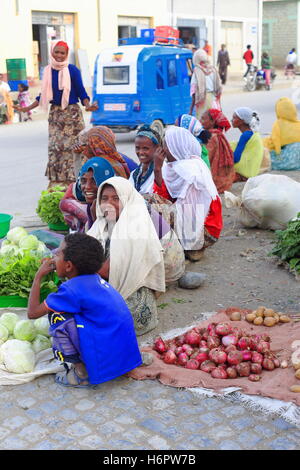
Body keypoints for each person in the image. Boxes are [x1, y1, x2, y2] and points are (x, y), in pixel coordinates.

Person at [27, 232, 142, 388]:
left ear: (68, 266)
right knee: (71, 313)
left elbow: (32, 313)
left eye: (58, 253)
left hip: (105, 358)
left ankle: (80, 374)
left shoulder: (70, 290)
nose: (53, 256)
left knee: (57, 316)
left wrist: (38, 276)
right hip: (126, 357)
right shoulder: (95, 278)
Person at [87, 177, 166, 336]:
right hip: (108, 289)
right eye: (104, 198)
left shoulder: (134, 228)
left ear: (127, 200)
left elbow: (106, 271)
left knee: (84, 318)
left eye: (116, 198)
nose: (109, 203)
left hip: (131, 305)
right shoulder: (103, 223)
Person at [14, 40, 98, 188]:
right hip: (56, 115)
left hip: (72, 115)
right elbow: (43, 96)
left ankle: (77, 180)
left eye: (62, 53)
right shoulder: (47, 71)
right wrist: (26, 109)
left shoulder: (73, 70)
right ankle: (58, 182)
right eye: (56, 52)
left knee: (75, 147)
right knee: (56, 148)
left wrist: (88, 106)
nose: (59, 55)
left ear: (66, 54)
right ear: (52, 52)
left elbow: (81, 92)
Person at [153, 126, 223, 262]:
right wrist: (157, 170)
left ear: (176, 147)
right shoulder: (174, 167)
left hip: (205, 230)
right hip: (192, 223)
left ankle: (192, 247)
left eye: (166, 145)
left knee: (155, 211)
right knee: (154, 206)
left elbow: (190, 213)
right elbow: (164, 197)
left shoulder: (190, 171)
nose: (162, 150)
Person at [60, 157, 116, 232]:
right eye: (83, 181)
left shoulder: (114, 208)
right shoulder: (92, 206)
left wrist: (96, 219)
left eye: (94, 181)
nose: (87, 187)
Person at [201, 109, 235, 193]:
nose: (200, 121)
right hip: (225, 181)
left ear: (212, 122)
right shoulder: (219, 134)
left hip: (215, 182)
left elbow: (206, 160)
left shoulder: (211, 137)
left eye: (203, 119)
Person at [263, 97, 300, 171]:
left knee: (266, 153)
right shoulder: (298, 124)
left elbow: (276, 142)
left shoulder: (278, 124)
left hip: (290, 159)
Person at [231, 107, 264, 181]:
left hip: (243, 174)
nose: (231, 120)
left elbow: (236, 158)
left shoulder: (245, 135)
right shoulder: (252, 133)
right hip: (251, 172)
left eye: (234, 118)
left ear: (242, 121)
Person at [189, 49, 222, 119]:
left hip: (202, 101)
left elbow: (193, 91)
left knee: (203, 124)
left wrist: (191, 109)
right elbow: (219, 88)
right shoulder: (213, 69)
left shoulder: (197, 71)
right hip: (214, 101)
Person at [129, 125, 162, 194]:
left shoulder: (163, 170)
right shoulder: (134, 174)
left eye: (145, 148)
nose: (140, 152)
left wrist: (158, 170)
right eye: (137, 148)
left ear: (157, 148)